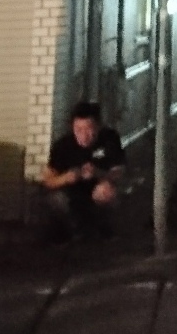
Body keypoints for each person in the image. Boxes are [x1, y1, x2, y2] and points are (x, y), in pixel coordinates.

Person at [42, 101, 125, 240]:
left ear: (98, 127)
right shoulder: (63, 145)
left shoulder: (110, 139)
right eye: (78, 130)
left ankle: (104, 229)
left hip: (97, 190)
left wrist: (99, 174)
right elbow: (48, 180)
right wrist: (67, 177)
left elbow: (120, 171)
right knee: (56, 199)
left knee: (107, 192)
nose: (83, 135)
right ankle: (71, 232)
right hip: (72, 193)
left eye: (88, 129)